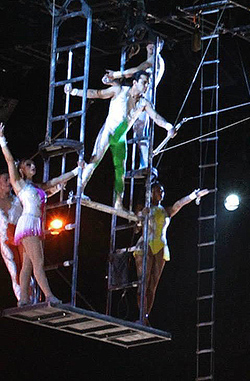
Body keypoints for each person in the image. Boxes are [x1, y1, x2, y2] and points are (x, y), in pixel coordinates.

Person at [65, 70, 176, 209]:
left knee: (121, 171)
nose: (146, 86)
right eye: (144, 82)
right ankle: (79, 191)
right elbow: (97, 94)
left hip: (120, 137)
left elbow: (156, 117)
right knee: (94, 160)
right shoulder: (119, 90)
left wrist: (168, 126)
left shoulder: (143, 103)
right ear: (135, 82)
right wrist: (74, 91)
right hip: (108, 131)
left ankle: (118, 203)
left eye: (148, 83)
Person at [0, 122, 81, 307]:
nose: (32, 166)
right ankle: (49, 296)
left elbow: (54, 181)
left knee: (28, 265)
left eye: (33, 164)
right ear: (22, 169)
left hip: (35, 224)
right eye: (28, 164)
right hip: (27, 223)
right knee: (38, 262)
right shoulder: (18, 184)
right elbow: (9, 161)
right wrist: (2, 140)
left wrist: (76, 171)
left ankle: (24, 299)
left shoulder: (35, 187)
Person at [134, 182, 209, 326]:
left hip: (161, 246)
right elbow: (136, 227)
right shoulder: (144, 209)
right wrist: (139, 217)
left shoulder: (165, 211)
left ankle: (145, 316)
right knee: (144, 281)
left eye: (162, 191)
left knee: (153, 285)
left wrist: (194, 195)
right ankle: (141, 315)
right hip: (146, 245)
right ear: (150, 193)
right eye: (157, 191)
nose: (161, 193)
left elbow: (179, 204)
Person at [105, 39, 165, 169]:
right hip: (142, 96)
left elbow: (136, 71)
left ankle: (145, 164)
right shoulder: (153, 61)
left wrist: (115, 75)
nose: (151, 48)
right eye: (149, 45)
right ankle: (143, 163)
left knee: (140, 131)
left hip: (144, 97)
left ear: (159, 46)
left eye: (154, 45)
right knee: (138, 131)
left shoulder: (155, 61)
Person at [0, 170, 23, 301]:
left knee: (27, 268)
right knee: (14, 270)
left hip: (21, 238)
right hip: (5, 241)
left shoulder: (18, 199)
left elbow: (38, 195)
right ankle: (22, 299)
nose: (9, 182)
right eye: (5, 179)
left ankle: (34, 298)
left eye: (10, 179)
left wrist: (58, 186)